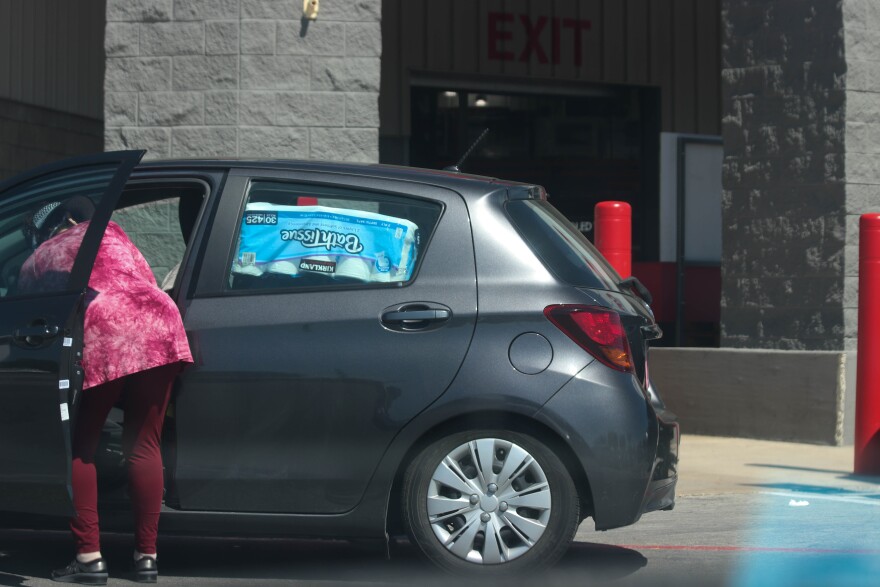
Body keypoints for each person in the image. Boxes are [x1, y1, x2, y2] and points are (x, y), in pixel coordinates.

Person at [19, 197, 193, 585]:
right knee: (145, 445)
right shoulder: (115, 233)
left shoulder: (44, 254)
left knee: (81, 445)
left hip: (108, 331)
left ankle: (89, 559)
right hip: (160, 322)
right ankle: (146, 558)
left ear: (56, 224)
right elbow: (144, 279)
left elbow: (29, 310)